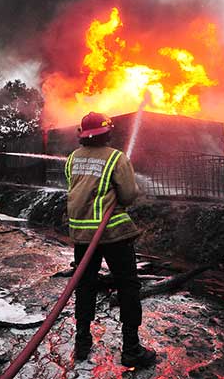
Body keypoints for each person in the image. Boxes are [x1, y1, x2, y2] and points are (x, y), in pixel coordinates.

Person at [64, 111, 157, 368]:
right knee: (128, 286)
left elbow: (74, 190)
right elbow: (127, 196)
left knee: (85, 286)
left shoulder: (72, 158)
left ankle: (81, 344)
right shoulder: (116, 158)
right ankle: (131, 349)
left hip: (82, 235)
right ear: (107, 132)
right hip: (113, 233)